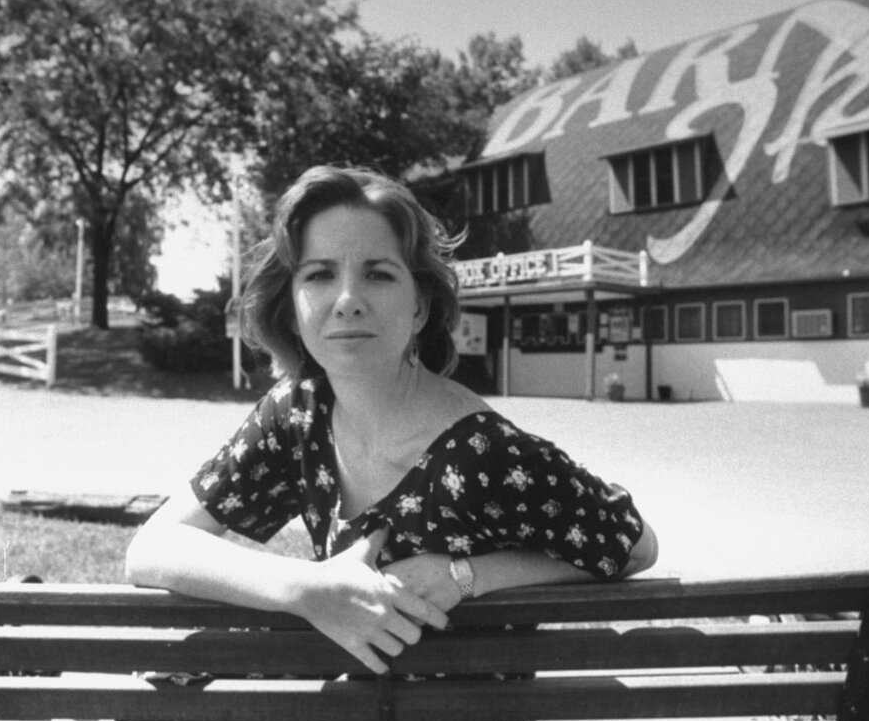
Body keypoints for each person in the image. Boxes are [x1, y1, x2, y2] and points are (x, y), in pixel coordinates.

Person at [125, 165, 658, 675]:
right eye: (319, 274)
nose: (349, 300)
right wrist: (306, 588)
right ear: (291, 305)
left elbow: (635, 545)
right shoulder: (296, 417)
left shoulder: (480, 452)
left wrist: (466, 576)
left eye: (378, 275)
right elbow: (152, 547)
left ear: (420, 307)